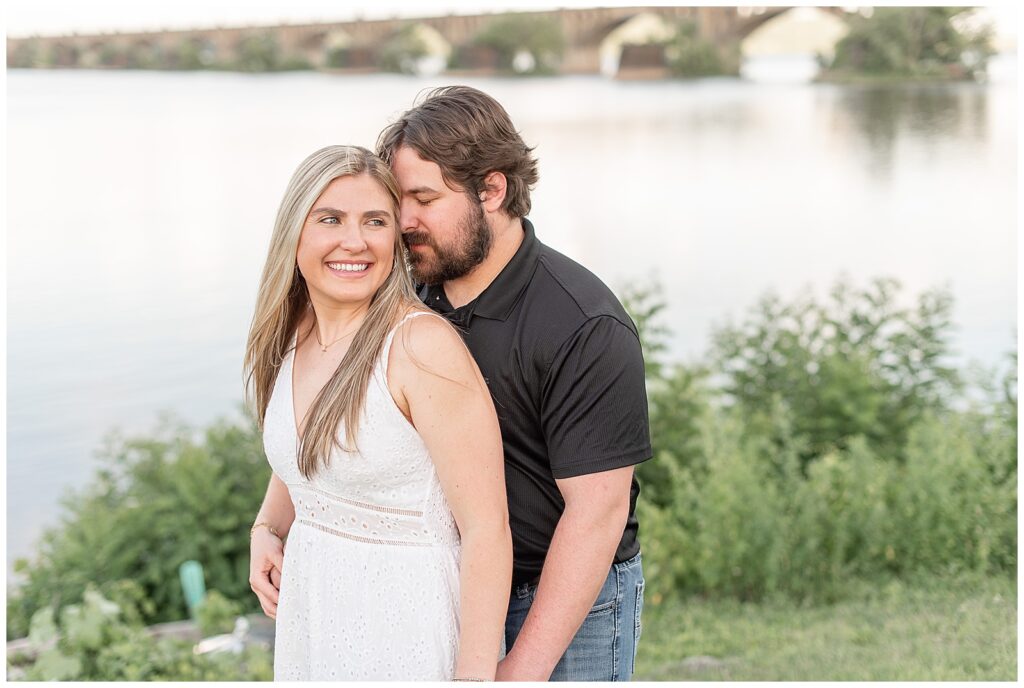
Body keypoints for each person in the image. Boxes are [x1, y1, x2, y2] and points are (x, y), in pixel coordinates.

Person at [376, 86, 652, 682]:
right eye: (398, 200)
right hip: (451, 584)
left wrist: (521, 668)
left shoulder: (583, 324)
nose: (404, 222)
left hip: (559, 597)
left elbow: (597, 514)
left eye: (424, 198)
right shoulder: (413, 300)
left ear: (493, 190)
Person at [244, 145, 511, 681]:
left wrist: (474, 679)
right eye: (330, 219)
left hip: (405, 628)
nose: (355, 240)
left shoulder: (418, 348)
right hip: (315, 619)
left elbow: (487, 529)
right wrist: (267, 526)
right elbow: (308, 452)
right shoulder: (294, 334)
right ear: (294, 231)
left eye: (375, 221)